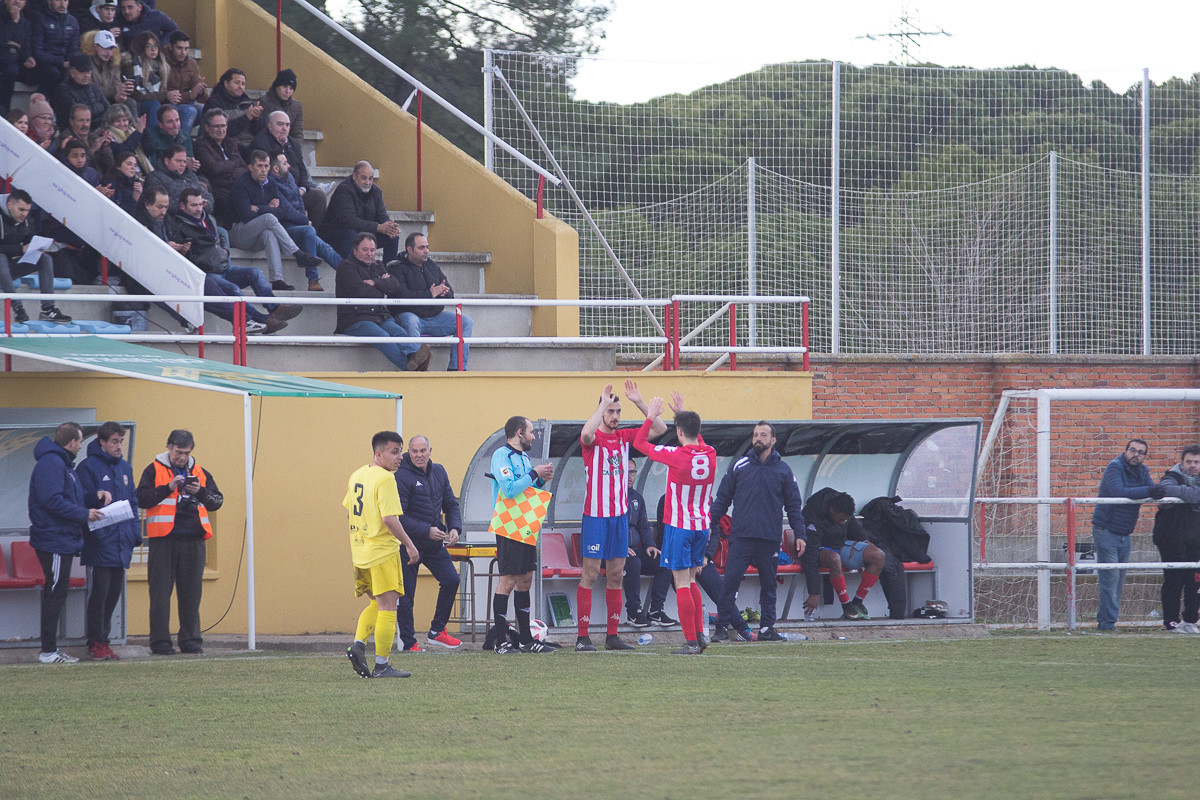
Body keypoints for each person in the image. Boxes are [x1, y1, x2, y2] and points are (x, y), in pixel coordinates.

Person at [574, 380, 665, 652]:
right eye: (610, 412)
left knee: (616, 575)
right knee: (590, 574)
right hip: (596, 517)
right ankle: (582, 638)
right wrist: (601, 403)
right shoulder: (593, 440)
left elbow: (660, 428)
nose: (615, 416)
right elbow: (585, 434)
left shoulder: (625, 438)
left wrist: (639, 402)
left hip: (619, 518)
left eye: (617, 412)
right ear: (602, 412)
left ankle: (612, 636)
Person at [633, 392, 717, 655]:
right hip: (702, 527)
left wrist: (650, 417)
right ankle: (700, 635)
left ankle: (691, 641)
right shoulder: (711, 453)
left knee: (681, 582)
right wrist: (682, 413)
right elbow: (697, 440)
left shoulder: (676, 456)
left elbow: (639, 443)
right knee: (691, 579)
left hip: (680, 527)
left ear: (678, 432)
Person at [710, 421, 807, 642]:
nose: (758, 439)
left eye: (763, 435)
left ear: (773, 440)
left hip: (769, 538)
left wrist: (800, 534)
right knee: (730, 582)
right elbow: (722, 499)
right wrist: (709, 525)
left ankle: (766, 629)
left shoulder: (783, 470)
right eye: (755, 435)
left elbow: (793, 505)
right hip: (741, 536)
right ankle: (722, 628)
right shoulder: (739, 466)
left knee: (769, 584)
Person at [166, 186, 300, 333]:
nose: (198, 209)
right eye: (193, 205)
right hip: (207, 274)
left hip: (224, 267)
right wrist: (185, 253)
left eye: (200, 204)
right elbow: (178, 257)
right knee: (233, 289)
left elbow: (221, 234)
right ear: (182, 206)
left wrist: (225, 250)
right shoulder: (178, 226)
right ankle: (263, 320)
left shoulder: (208, 218)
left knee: (255, 272)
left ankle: (274, 308)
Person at [135, 429, 222, 655]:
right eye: (178, 452)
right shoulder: (153, 469)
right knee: (160, 594)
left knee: (191, 594)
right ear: (169, 447)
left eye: (186, 452)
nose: (182, 457)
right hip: (164, 540)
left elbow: (216, 501)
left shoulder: (200, 472)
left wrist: (200, 491)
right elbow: (142, 499)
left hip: (193, 540)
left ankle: (191, 641)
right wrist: (168, 487)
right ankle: (160, 643)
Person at [343, 430, 420, 679]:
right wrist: (409, 544)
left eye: (400, 452)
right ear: (379, 453)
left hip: (359, 551)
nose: (400, 457)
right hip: (382, 551)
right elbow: (389, 519)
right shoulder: (386, 479)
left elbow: (348, 513)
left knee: (375, 603)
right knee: (389, 606)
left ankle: (358, 644)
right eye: (394, 452)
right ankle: (382, 665)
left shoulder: (358, 474)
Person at [29, 422, 104, 663]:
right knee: (54, 593)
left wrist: (94, 498)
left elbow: (73, 497)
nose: (80, 446)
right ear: (72, 443)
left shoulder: (63, 465)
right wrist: (84, 514)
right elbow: (52, 500)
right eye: (80, 441)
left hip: (62, 539)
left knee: (57, 592)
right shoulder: (51, 464)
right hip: (54, 539)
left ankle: (51, 650)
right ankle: (48, 651)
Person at [483, 415, 558, 654]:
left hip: (526, 523)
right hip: (508, 524)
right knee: (508, 579)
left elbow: (528, 490)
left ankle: (526, 640)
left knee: (525, 578)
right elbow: (510, 489)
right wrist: (534, 473)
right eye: (531, 432)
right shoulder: (500, 456)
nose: (533, 436)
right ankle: (500, 641)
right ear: (518, 433)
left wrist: (541, 480)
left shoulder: (524, 457)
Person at [393, 435, 464, 652]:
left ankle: (437, 631)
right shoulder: (401, 476)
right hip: (409, 544)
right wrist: (426, 530)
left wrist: (454, 528)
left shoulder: (439, 471)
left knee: (452, 580)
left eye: (423, 451)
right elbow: (399, 516)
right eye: (414, 451)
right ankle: (408, 642)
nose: (419, 455)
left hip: (434, 544)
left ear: (430, 450)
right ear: (409, 452)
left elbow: (451, 503)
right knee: (407, 594)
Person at [76, 421, 140, 660]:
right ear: (102, 442)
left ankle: (105, 638)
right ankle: (95, 641)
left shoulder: (125, 468)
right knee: (100, 593)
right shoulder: (88, 467)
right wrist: (99, 535)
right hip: (101, 541)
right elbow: (82, 501)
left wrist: (135, 534)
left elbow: (132, 502)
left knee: (114, 592)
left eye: (121, 441)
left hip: (122, 542)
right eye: (114, 441)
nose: (118, 446)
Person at [334, 232, 431, 371]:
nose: (370, 254)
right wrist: (382, 285)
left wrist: (374, 282)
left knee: (399, 332)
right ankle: (414, 370)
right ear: (355, 251)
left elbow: (394, 286)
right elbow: (361, 292)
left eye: (372, 250)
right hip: (355, 320)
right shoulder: (346, 267)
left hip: (380, 317)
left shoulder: (378, 265)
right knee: (383, 337)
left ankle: (414, 357)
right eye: (365, 250)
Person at [228, 149, 323, 290]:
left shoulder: (270, 184)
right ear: (250, 167)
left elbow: (281, 212)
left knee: (270, 234)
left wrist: (259, 208)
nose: (263, 170)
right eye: (259, 166)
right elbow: (246, 216)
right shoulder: (241, 185)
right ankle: (298, 254)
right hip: (239, 232)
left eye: (266, 166)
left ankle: (277, 280)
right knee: (269, 218)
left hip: (259, 234)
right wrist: (268, 209)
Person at [1091, 438, 1156, 631]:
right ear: (1126, 450)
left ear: (1144, 456)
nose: (1136, 454)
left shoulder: (1143, 471)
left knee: (1118, 582)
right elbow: (1118, 491)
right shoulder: (1114, 467)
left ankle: (1106, 622)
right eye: (1133, 450)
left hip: (1125, 533)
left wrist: (1160, 490)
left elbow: (1153, 490)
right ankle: (1107, 624)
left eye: (1141, 452)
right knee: (1110, 580)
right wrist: (1150, 490)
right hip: (1106, 531)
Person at [391, 233, 473, 370]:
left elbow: (450, 293)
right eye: (421, 247)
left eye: (427, 247)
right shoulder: (397, 268)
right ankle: (418, 368)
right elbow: (401, 296)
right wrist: (430, 294)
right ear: (409, 250)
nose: (426, 251)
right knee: (411, 321)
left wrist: (443, 293)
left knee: (465, 322)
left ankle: (457, 369)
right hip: (410, 315)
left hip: (435, 317)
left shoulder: (432, 265)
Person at [801, 488, 884, 621]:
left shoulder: (843, 507)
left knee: (878, 555)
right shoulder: (812, 514)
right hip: (818, 550)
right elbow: (810, 554)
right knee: (834, 558)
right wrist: (814, 593)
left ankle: (857, 603)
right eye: (840, 519)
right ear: (832, 510)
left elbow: (855, 528)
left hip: (839, 545)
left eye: (845, 520)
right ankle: (846, 607)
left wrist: (866, 542)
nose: (842, 522)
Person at [0, 188, 71, 323]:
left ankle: (48, 308)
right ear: (9, 205)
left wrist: (36, 246)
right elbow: (17, 249)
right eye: (21, 210)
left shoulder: (26, 220)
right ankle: (18, 308)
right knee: (1, 258)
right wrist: (20, 249)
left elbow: (27, 238)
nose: (25, 214)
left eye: (27, 210)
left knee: (44, 258)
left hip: (5, 271)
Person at [1150, 444, 1200, 633]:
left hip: (1195, 539)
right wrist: (1193, 495)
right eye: (1189, 462)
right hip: (1171, 538)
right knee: (1173, 579)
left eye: (1196, 462)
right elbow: (1165, 490)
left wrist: (1185, 494)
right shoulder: (1171, 476)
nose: (1193, 465)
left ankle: (1190, 621)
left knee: (1195, 581)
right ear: (1182, 462)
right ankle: (1171, 622)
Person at [249, 110, 324, 224]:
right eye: (280, 124)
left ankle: (313, 233)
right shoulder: (261, 143)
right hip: (277, 190)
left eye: (287, 125)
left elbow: (302, 169)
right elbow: (266, 174)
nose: (285, 128)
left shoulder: (294, 143)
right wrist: (291, 189)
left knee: (318, 197)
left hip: (296, 189)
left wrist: (302, 189)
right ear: (269, 126)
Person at [622, 458, 672, 627]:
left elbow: (644, 526)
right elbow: (606, 529)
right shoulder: (609, 496)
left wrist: (650, 545)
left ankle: (656, 611)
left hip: (637, 550)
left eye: (632, 472)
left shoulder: (638, 498)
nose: (629, 476)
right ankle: (633, 612)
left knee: (664, 561)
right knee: (633, 562)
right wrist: (621, 547)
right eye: (625, 472)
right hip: (614, 552)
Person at [320, 160, 400, 262]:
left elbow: (382, 215)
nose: (368, 182)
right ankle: (352, 269)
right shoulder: (344, 190)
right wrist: (378, 227)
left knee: (392, 236)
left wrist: (390, 227)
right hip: (337, 234)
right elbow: (349, 221)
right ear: (354, 176)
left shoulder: (376, 191)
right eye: (364, 178)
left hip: (362, 232)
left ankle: (387, 272)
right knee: (351, 234)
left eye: (370, 179)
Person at [194, 107, 244, 226]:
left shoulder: (231, 143)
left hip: (236, 185)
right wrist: (233, 163)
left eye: (223, 126)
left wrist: (229, 170)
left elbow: (244, 168)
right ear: (207, 127)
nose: (221, 130)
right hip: (218, 189)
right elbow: (213, 168)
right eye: (217, 126)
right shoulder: (201, 145)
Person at [201, 67, 261, 150]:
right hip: (227, 146)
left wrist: (257, 118)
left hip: (250, 144)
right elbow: (224, 131)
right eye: (237, 83)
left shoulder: (248, 102)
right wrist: (247, 117)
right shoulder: (214, 102)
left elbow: (258, 131)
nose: (241, 86)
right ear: (226, 83)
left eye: (243, 84)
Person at [29, 0, 79, 93]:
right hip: (43, 64)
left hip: (64, 64)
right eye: (58, 0)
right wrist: (61, 62)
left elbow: (73, 48)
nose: (62, 4)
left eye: (65, 0)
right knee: (53, 74)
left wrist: (69, 62)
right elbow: (37, 52)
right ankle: (39, 100)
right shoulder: (39, 19)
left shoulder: (73, 21)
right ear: (49, 1)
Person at [121, 30, 169, 126]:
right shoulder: (132, 64)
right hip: (137, 105)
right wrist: (165, 95)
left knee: (173, 108)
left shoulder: (162, 67)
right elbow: (137, 95)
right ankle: (153, 139)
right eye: (149, 46)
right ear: (141, 47)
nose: (153, 49)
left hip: (156, 101)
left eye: (156, 46)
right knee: (154, 105)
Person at [143, 143, 210, 209]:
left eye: (184, 161)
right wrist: (189, 205)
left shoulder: (190, 176)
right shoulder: (155, 177)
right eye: (178, 161)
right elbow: (161, 202)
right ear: (167, 161)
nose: (182, 164)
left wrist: (205, 204)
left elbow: (207, 196)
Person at [161, 30, 204, 133]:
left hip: (186, 103)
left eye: (186, 49)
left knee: (206, 110)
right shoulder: (162, 61)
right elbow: (164, 94)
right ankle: (181, 145)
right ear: (170, 47)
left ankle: (203, 146)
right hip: (167, 104)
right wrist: (189, 96)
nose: (183, 52)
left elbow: (200, 95)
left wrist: (200, 90)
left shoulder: (191, 63)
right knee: (189, 111)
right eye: (179, 48)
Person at [50, 52, 108, 127]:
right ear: (72, 72)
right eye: (82, 72)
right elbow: (80, 115)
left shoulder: (95, 88)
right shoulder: (62, 90)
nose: (86, 75)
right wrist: (100, 107)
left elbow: (109, 111)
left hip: (99, 129)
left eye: (88, 72)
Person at [1, 0, 34, 114]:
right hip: (4, 62)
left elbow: (25, 46)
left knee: (50, 73)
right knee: (11, 70)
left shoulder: (25, 23)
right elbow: (3, 41)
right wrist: (14, 21)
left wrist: (28, 57)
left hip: (15, 62)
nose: (17, 1)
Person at [256, 67, 302, 136]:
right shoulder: (264, 101)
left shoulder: (297, 106)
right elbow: (263, 130)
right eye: (284, 86)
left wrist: (295, 146)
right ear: (276, 86)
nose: (287, 91)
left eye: (291, 88)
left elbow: (297, 133)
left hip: (288, 143)